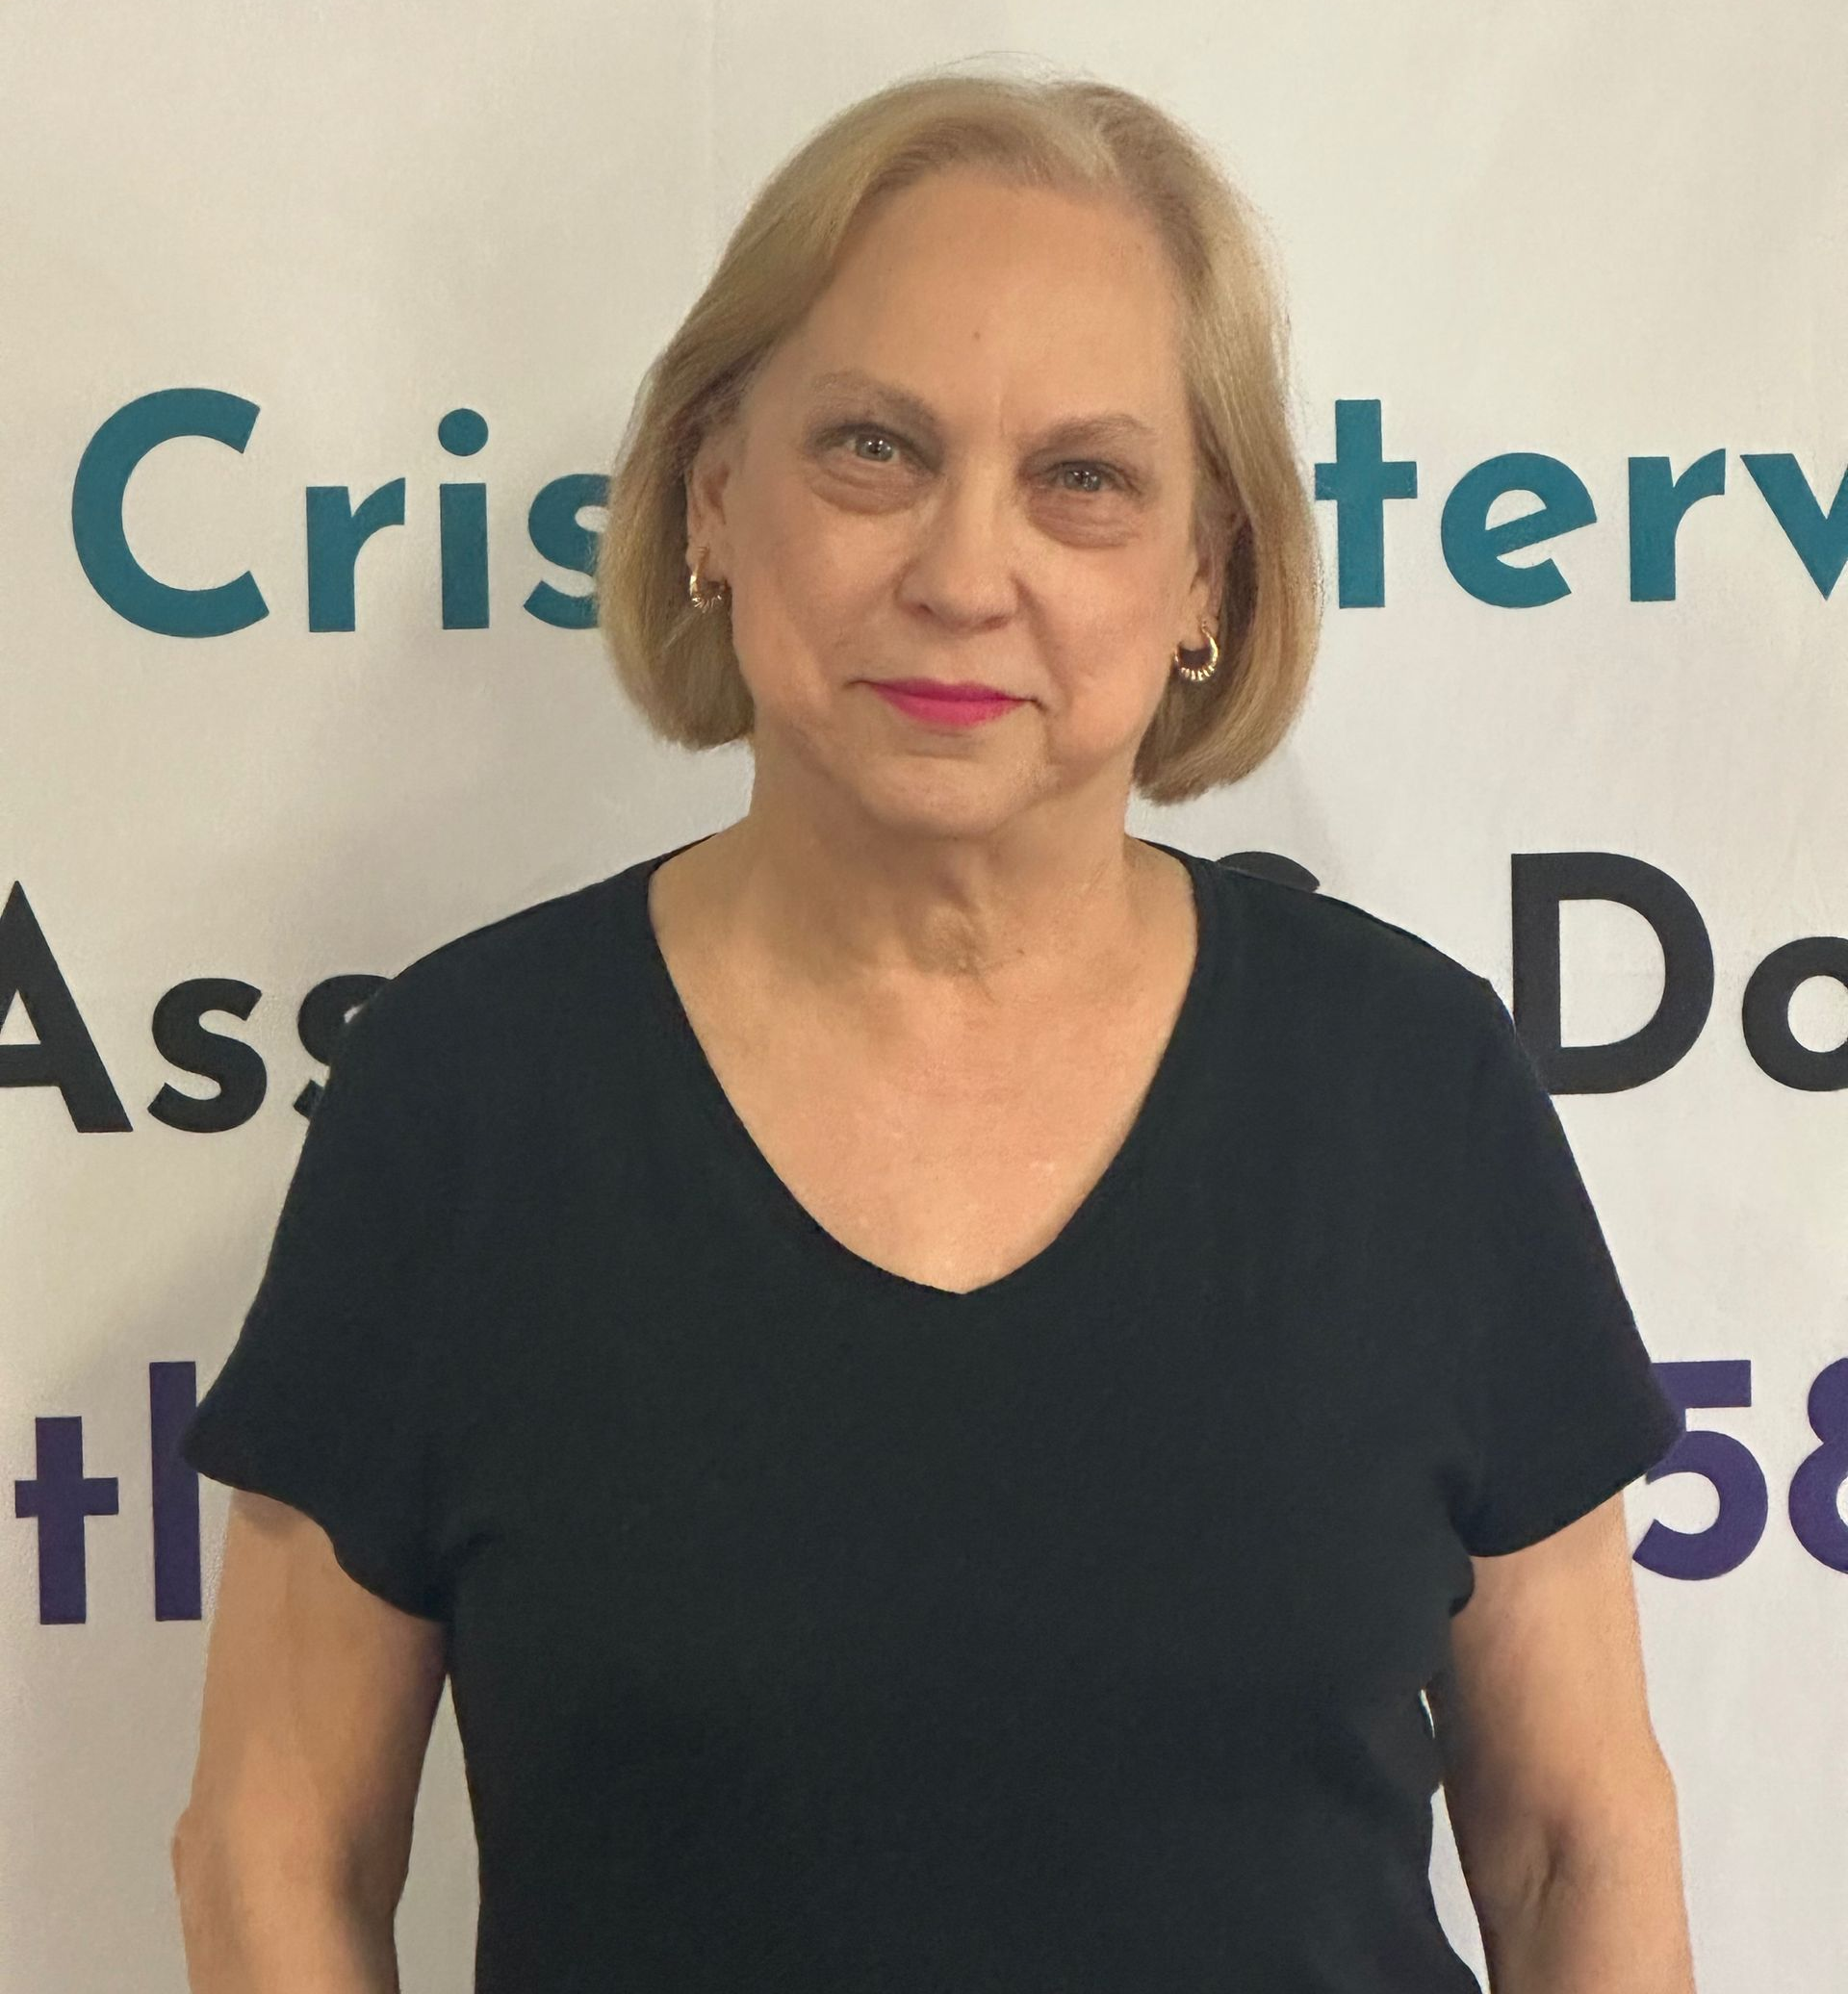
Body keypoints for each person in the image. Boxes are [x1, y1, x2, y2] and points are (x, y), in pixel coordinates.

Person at [171, 62, 1693, 1993]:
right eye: (875, 450)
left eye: (1085, 478)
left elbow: (1577, 1841)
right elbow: (270, 1843)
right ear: (717, 499)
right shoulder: (467, 1101)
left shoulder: (1416, 1092)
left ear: (1205, 572)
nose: (968, 574)